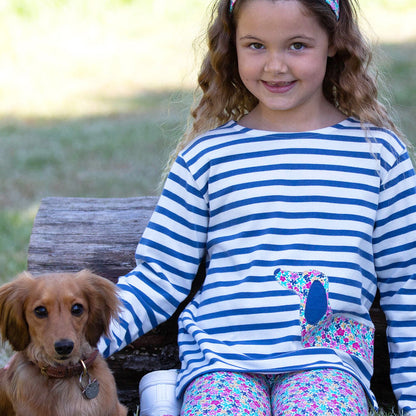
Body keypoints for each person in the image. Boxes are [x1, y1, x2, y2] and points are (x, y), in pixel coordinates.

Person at [98, 0, 416, 414]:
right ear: (232, 46)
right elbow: (160, 276)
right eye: (256, 45)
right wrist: (76, 343)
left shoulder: (378, 156)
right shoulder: (207, 157)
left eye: (297, 45)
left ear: (334, 42)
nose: (275, 66)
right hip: (220, 362)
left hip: (327, 365)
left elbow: (407, 285)